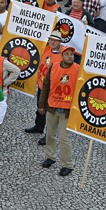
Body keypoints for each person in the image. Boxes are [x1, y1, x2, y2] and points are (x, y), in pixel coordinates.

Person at [38, 46, 79, 177]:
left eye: (71, 54)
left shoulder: (78, 69)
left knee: (64, 138)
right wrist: (41, 105)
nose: (70, 57)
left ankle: (67, 164)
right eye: (67, 54)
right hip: (52, 107)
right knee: (50, 134)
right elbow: (45, 86)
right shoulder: (54, 67)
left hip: (67, 111)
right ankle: (51, 156)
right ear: (62, 56)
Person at [26, 31, 64, 145]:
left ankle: (49, 136)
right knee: (40, 105)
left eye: (55, 40)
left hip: (54, 88)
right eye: (51, 39)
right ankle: (39, 126)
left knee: (51, 112)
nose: (52, 42)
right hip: (43, 84)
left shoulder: (63, 53)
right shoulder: (47, 48)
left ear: (60, 42)